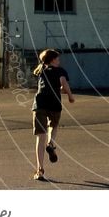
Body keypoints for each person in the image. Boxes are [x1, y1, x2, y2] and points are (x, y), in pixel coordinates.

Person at [31, 49, 75, 181]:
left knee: (40, 137)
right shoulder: (61, 71)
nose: (59, 60)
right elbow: (64, 84)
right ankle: (51, 144)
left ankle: (40, 170)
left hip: (40, 104)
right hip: (54, 104)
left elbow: (47, 86)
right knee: (53, 126)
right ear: (53, 60)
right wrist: (70, 96)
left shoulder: (41, 70)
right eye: (58, 58)